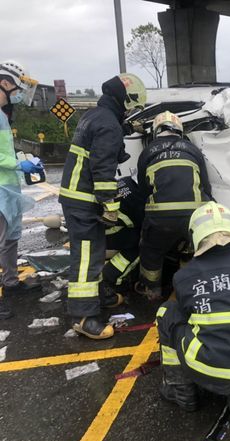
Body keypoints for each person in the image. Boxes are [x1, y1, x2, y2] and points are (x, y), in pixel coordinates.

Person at [155, 201, 230, 441]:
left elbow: (187, 318)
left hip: (205, 368)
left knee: (167, 312)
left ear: (195, 236)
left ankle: (180, 388)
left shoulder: (184, 276)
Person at [58, 73, 146, 339]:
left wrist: (128, 129)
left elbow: (103, 146)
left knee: (93, 253)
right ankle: (84, 317)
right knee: (86, 258)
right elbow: (103, 167)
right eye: (133, 106)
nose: (133, 111)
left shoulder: (97, 116)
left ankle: (98, 297)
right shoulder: (108, 125)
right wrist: (109, 203)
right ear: (126, 100)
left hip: (77, 197)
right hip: (84, 200)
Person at [136, 111, 212, 302]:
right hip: (193, 216)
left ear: (156, 131)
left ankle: (152, 290)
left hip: (160, 218)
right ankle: (191, 288)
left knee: (151, 251)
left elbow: (143, 189)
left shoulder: (148, 152)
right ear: (179, 130)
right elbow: (206, 185)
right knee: (190, 250)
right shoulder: (193, 149)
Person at [0, 61, 44, 320]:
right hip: (1, 185)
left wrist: (20, 159)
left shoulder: (3, 114)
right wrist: (19, 163)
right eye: (18, 86)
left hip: (7, 185)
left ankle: (11, 281)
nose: (20, 92)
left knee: (10, 238)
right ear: (5, 83)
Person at [100, 176, 145, 307]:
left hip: (91, 227)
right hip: (102, 232)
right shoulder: (137, 202)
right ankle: (111, 278)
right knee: (142, 243)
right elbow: (145, 225)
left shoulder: (126, 181)